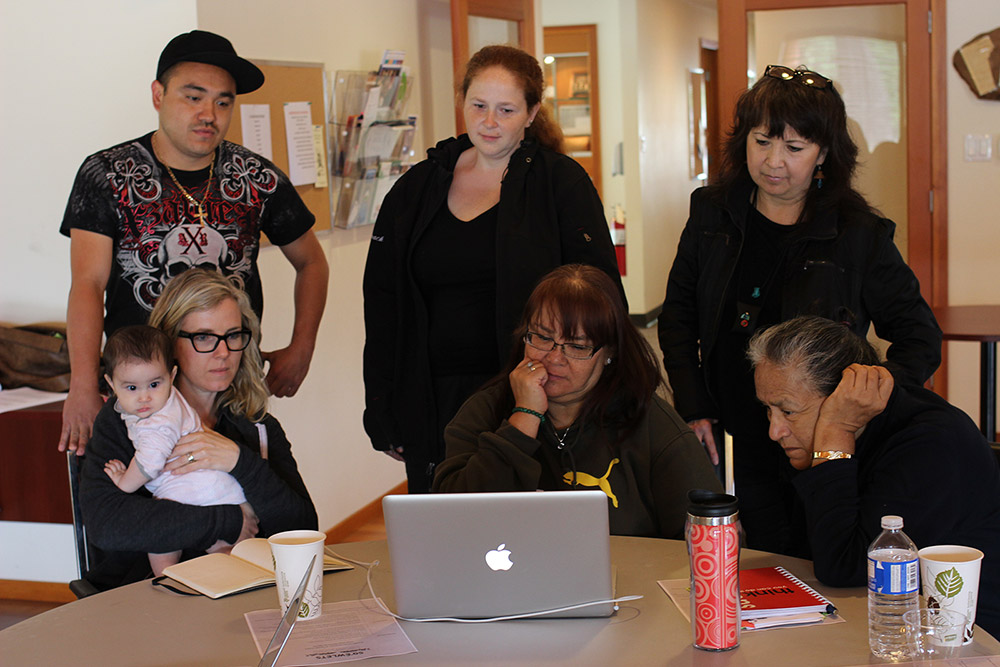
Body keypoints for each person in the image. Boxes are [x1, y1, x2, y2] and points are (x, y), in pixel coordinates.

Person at [658, 64, 941, 553]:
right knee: (760, 560)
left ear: (824, 154)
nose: (773, 161)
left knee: (822, 554)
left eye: (794, 148)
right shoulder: (712, 211)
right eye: (762, 141)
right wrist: (693, 403)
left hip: (819, 434)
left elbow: (919, 337)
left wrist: (860, 404)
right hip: (735, 428)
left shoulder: (858, 234)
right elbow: (679, 315)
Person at [363, 45, 624, 493]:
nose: (489, 122)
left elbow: (601, 299)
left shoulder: (561, 184)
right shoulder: (417, 188)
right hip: (433, 397)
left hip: (536, 391)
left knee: (525, 533)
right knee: (445, 530)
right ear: (461, 100)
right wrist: (382, 405)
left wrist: (601, 393)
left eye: (506, 110)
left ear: (531, 112)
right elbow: (384, 303)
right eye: (478, 106)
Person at [60, 29, 329, 456]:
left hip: (230, 391)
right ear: (158, 95)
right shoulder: (108, 175)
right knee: (144, 511)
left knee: (244, 508)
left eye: (223, 102)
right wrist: (80, 384)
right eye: (193, 96)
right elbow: (88, 284)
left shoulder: (255, 177)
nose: (209, 113)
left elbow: (312, 262)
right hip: (140, 394)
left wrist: (302, 346)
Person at [747, 315, 1000, 637]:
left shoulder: (931, 442)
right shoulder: (802, 437)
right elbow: (796, 549)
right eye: (767, 409)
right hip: (870, 618)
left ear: (845, 396)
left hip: (964, 635)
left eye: (788, 411)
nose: (775, 430)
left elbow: (843, 566)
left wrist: (836, 433)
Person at [433, 265, 720, 538]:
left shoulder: (655, 428)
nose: (554, 358)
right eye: (542, 338)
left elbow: (708, 539)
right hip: (505, 584)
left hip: (627, 584)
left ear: (610, 353)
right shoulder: (485, 409)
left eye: (577, 346)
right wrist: (524, 416)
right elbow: (456, 518)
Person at [79, 269, 317, 590]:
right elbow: (106, 524)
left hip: (239, 590)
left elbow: (302, 527)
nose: (223, 352)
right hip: (144, 599)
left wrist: (239, 462)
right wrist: (225, 521)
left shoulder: (255, 424)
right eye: (204, 337)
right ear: (169, 343)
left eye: (233, 335)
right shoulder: (127, 418)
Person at [100, 324, 250, 576]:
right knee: (225, 563)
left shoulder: (160, 421)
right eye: (132, 388)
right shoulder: (164, 401)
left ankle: (168, 580)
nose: (144, 398)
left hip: (201, 494)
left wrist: (123, 483)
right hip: (213, 491)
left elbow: (149, 463)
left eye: (154, 384)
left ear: (171, 375)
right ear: (111, 384)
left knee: (161, 547)